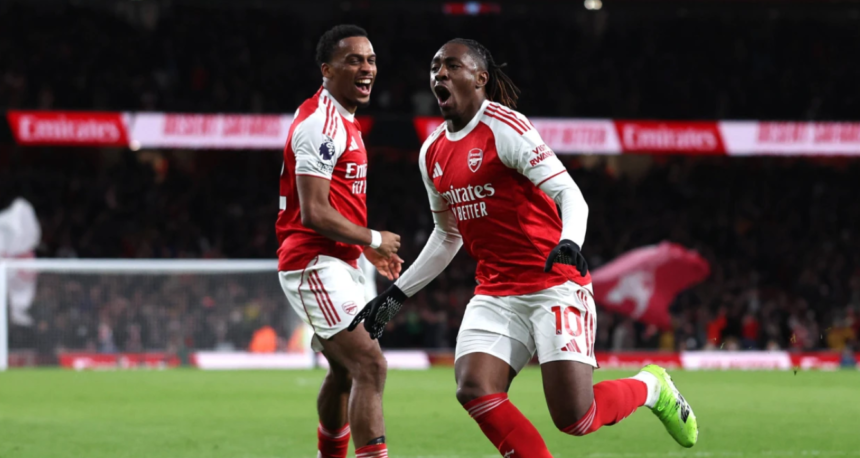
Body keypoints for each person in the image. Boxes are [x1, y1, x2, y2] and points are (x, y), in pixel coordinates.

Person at [350, 38, 697, 457]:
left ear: (480, 78)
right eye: (435, 67)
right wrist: (396, 294)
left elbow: (571, 195)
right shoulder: (432, 152)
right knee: (474, 386)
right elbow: (447, 235)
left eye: (452, 66)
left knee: (576, 418)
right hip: (496, 290)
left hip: (553, 281)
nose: (439, 73)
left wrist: (569, 241)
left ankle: (651, 386)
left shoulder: (506, 128)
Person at [276, 24, 402, 458]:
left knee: (346, 371)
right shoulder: (320, 125)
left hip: (339, 260)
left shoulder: (343, 120)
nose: (367, 68)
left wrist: (363, 247)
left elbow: (336, 204)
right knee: (370, 363)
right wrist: (374, 237)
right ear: (326, 70)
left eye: (370, 60)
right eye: (354, 60)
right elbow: (313, 211)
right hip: (314, 262)